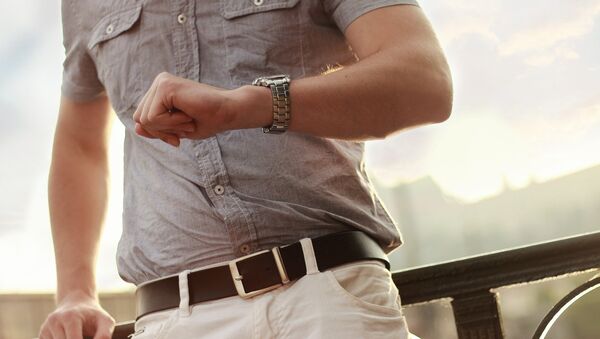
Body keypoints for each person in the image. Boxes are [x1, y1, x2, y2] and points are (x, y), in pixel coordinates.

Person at [39, 0, 452, 338]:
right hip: (174, 321)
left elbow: (424, 80)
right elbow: (80, 145)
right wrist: (75, 293)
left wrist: (248, 105)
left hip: (327, 301)